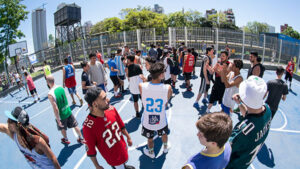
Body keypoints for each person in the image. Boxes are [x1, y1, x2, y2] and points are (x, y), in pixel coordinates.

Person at [226, 76, 272, 169]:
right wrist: (239, 103)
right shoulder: (267, 110)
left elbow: (223, 150)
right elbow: (249, 115)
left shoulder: (243, 130)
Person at [83, 87, 135, 169]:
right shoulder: (88, 127)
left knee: (124, 163)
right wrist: (97, 165)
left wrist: (128, 137)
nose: (108, 100)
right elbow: (91, 150)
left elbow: (121, 125)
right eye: (104, 99)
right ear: (94, 104)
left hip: (122, 147)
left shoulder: (111, 109)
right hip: (114, 158)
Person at [139, 62, 172, 158]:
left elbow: (145, 87)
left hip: (147, 119)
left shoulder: (141, 86)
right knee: (164, 134)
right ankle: (165, 148)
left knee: (150, 139)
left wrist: (145, 80)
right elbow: (165, 103)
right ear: (161, 75)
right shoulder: (168, 88)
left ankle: (151, 152)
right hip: (161, 118)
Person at [47, 75, 85, 145]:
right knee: (75, 125)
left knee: (62, 128)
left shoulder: (50, 94)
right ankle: (81, 138)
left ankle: (66, 139)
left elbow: (55, 108)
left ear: (47, 82)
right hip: (68, 110)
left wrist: (58, 119)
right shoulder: (61, 87)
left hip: (61, 114)